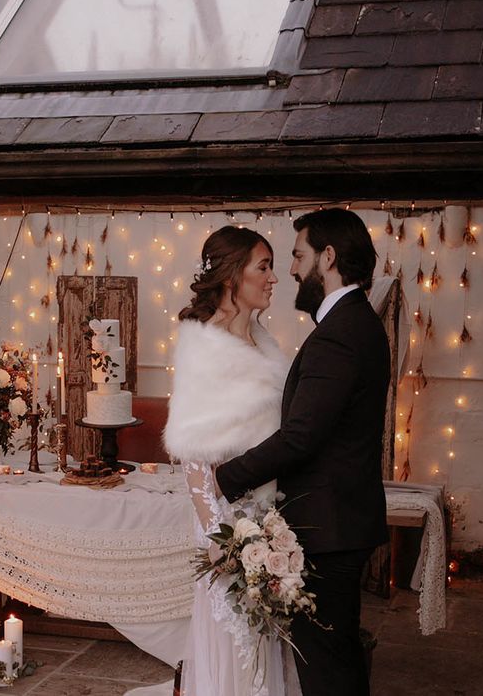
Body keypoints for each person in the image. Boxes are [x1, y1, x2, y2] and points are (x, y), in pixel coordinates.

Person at [214, 209, 391, 696]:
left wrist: (224, 478)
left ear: (328, 257)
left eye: (297, 255)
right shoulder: (356, 323)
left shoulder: (340, 333)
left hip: (330, 529)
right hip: (342, 521)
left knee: (328, 668)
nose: (290, 270)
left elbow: (301, 437)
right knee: (335, 658)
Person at [164, 225, 301, 696]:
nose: (272, 279)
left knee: (267, 646)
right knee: (238, 648)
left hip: (271, 520)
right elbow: (192, 457)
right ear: (230, 276)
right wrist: (220, 537)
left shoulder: (264, 342)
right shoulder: (204, 345)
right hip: (230, 531)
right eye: (263, 267)